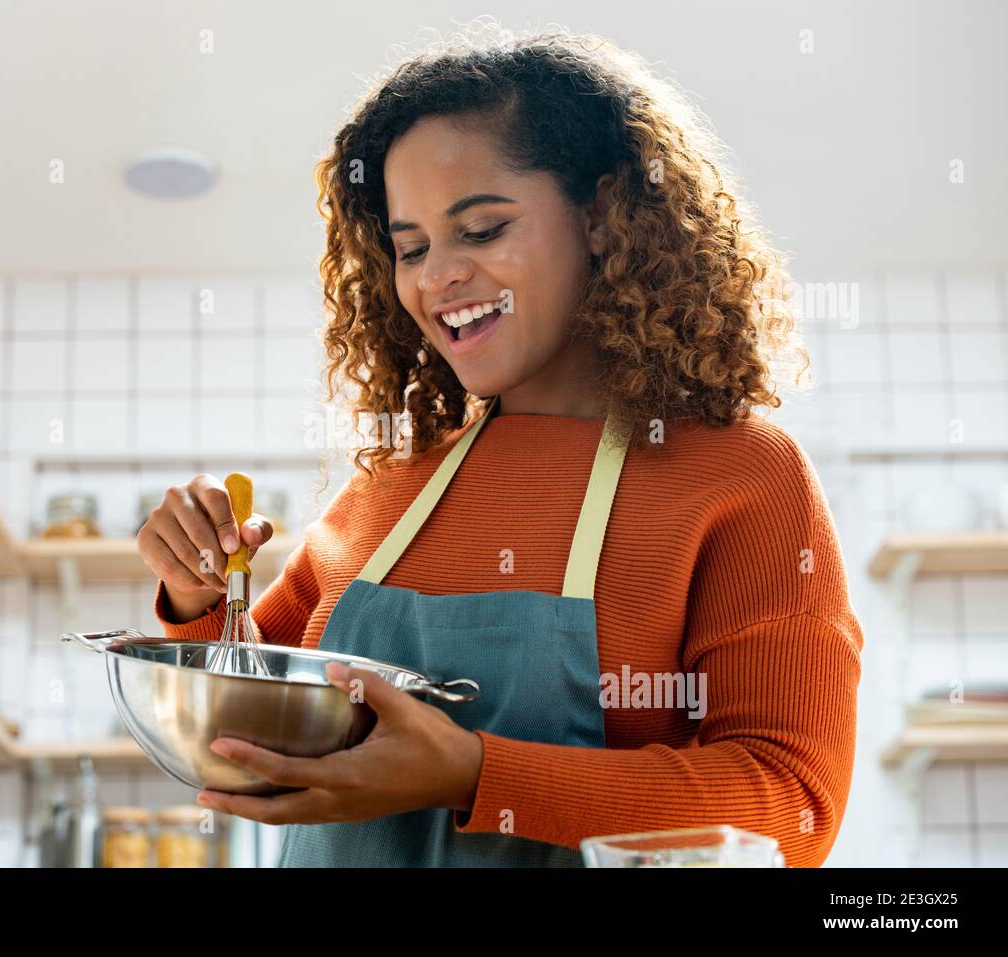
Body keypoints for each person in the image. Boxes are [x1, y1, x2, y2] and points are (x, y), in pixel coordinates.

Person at [136, 26, 864, 868]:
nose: (436, 276)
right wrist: (196, 599)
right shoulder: (387, 490)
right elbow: (240, 733)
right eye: (410, 247)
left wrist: (476, 774)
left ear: (600, 216)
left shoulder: (739, 476)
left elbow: (791, 805)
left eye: (479, 230)